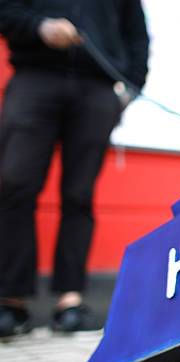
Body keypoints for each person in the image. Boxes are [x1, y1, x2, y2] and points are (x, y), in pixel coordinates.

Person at [0, 0, 149, 336]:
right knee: (14, 184)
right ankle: (12, 299)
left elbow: (137, 37)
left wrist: (130, 88)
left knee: (79, 194)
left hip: (97, 89)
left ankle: (70, 299)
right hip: (34, 77)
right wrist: (39, 27)